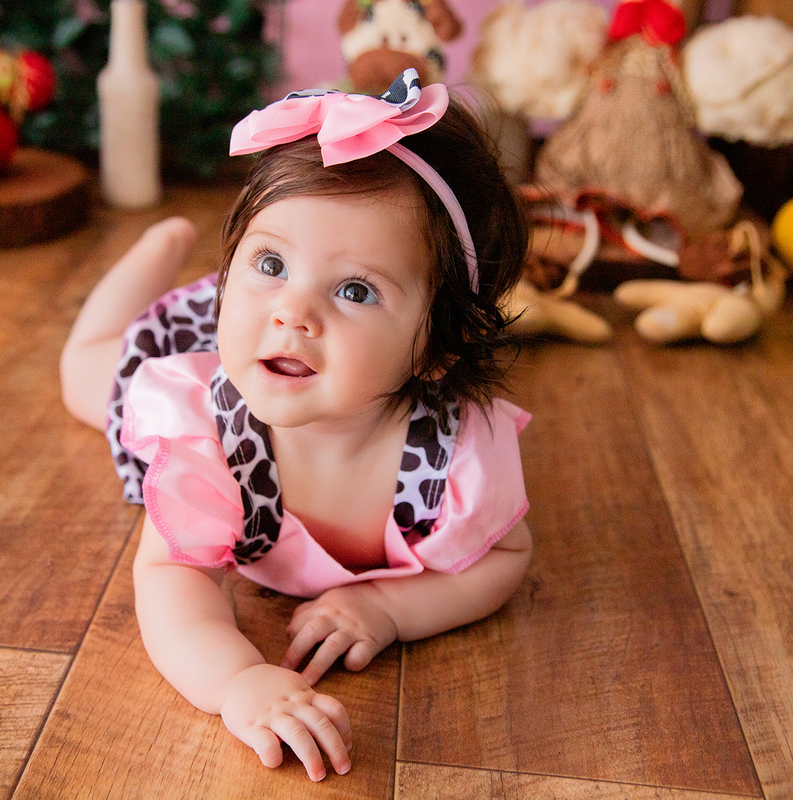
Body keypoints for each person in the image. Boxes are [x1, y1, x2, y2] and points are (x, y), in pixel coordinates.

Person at [61, 70, 533, 782]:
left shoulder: (451, 456)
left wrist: (389, 609)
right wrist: (235, 681)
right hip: (216, 351)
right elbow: (170, 576)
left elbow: (504, 560)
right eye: (270, 262)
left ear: (435, 350)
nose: (294, 310)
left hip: (279, 357)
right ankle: (153, 255)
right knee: (84, 378)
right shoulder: (206, 433)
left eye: (355, 290)